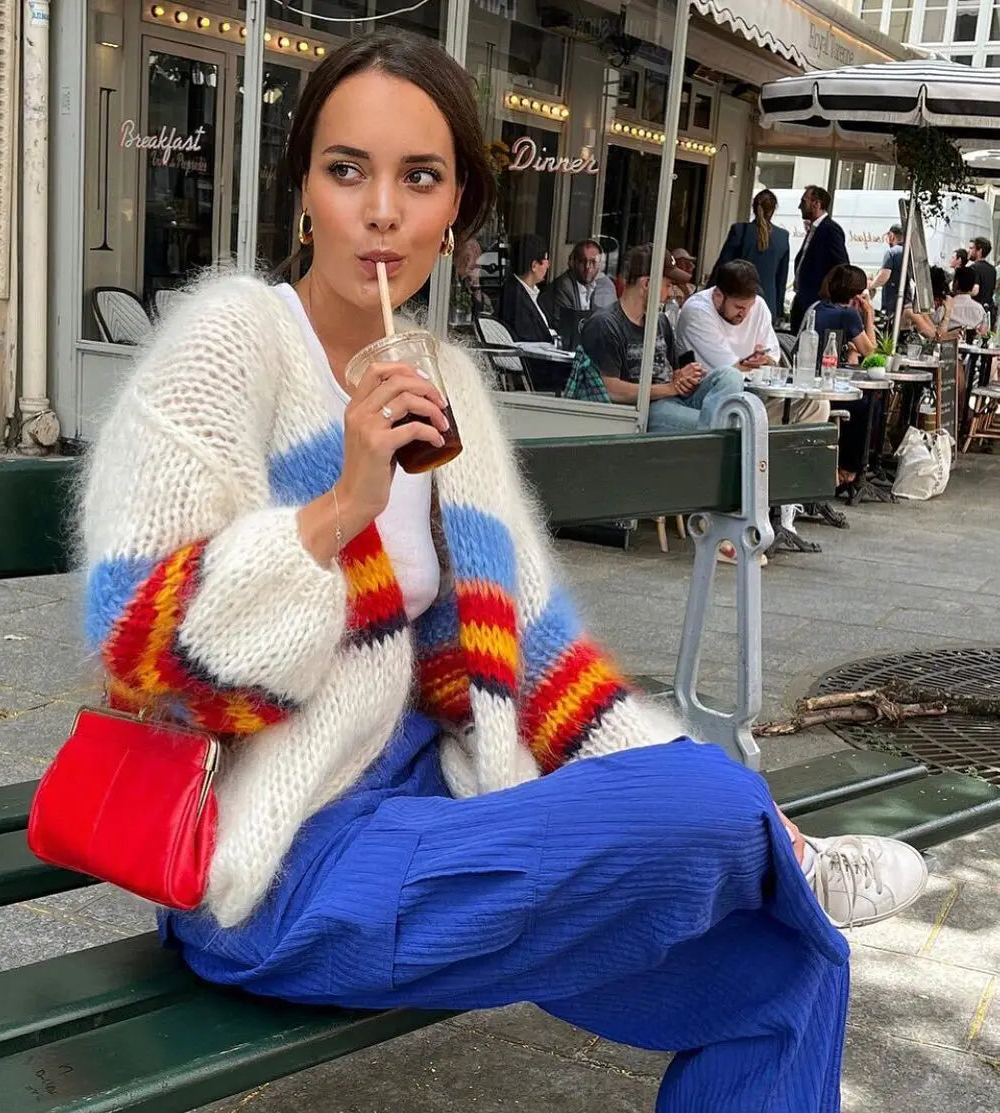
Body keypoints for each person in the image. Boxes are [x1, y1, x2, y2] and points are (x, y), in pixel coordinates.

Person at [80, 31, 928, 1112]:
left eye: (418, 178)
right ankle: (777, 854)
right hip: (276, 860)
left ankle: (777, 850)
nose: (380, 211)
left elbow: (532, 658)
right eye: (346, 169)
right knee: (712, 805)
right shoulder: (228, 345)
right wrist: (338, 508)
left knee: (790, 967)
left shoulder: (442, 385)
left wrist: (734, 809)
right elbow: (138, 652)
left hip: (439, 809)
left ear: (455, 213)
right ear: (303, 190)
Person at [574, 245, 744, 433]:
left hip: (675, 400)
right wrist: (670, 389)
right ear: (647, 284)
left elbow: (674, 373)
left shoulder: (661, 321)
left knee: (730, 376)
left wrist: (684, 377)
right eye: (668, 285)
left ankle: (714, 428)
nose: (670, 293)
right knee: (722, 425)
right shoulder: (605, 324)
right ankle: (716, 430)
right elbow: (611, 389)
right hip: (644, 410)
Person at [677, 260, 830, 426]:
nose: (744, 313)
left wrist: (765, 360)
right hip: (707, 399)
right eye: (738, 307)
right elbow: (729, 371)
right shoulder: (697, 311)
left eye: (749, 306)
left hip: (751, 397)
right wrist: (755, 366)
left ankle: (789, 444)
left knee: (817, 404)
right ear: (718, 295)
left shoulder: (758, 305)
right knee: (731, 379)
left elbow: (773, 357)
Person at [802, 265, 877, 489]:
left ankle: (844, 466)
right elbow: (871, 352)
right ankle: (849, 469)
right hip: (823, 388)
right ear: (857, 295)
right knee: (866, 404)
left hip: (807, 380)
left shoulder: (817, 307)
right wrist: (869, 315)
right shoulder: (848, 314)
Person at [712, 188, 790, 321]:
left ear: (753, 207)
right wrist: (778, 312)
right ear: (773, 210)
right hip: (767, 305)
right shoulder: (782, 237)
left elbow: (722, 268)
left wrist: (709, 296)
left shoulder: (740, 231)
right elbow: (781, 281)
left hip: (737, 302)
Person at [790, 185, 849, 331]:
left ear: (816, 203)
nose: (799, 206)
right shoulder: (814, 229)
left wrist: (827, 294)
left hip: (816, 303)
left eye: (803, 201)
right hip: (803, 300)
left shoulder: (830, 229)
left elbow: (842, 265)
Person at [540, 239, 617, 334]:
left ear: (600, 265)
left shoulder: (606, 285)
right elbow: (567, 329)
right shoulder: (563, 286)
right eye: (582, 261)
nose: (587, 267)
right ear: (573, 263)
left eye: (593, 262)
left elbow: (611, 323)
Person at [497, 232, 554, 344]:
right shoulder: (514, 297)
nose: (548, 265)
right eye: (546, 259)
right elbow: (527, 338)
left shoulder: (532, 293)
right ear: (534, 265)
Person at [868, 225, 909, 319]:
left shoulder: (892, 252)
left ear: (891, 236)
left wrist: (871, 285)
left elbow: (884, 276)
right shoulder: (910, 252)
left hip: (893, 305)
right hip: (908, 305)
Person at [453, 234, 490, 316]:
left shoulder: (476, 282)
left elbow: (479, 313)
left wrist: (476, 287)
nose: (477, 269)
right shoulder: (452, 277)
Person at [967, 236, 997, 328]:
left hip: (976, 313)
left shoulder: (974, 268)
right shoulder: (992, 269)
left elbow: (975, 291)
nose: (968, 251)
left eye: (971, 248)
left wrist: (961, 293)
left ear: (979, 251)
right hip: (990, 311)